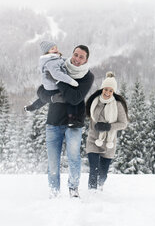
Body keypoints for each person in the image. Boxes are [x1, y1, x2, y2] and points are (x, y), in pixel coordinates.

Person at [38, 45, 94, 198]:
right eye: (75, 54)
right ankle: (54, 192)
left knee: (74, 157)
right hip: (53, 121)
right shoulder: (61, 66)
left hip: (74, 123)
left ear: (86, 60)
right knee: (53, 161)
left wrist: (57, 80)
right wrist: (51, 97)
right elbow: (41, 90)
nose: (77, 59)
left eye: (81, 57)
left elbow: (74, 98)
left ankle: (73, 189)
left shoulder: (87, 76)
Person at [85, 72, 128, 191]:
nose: (107, 93)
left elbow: (123, 124)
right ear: (102, 89)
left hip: (109, 143)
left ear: (113, 92)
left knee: (103, 174)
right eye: (106, 89)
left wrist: (108, 127)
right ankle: (92, 193)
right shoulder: (94, 101)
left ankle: (100, 188)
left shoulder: (118, 105)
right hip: (93, 140)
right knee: (94, 169)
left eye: (110, 90)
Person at [23, 41, 78, 115]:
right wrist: (71, 81)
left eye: (56, 47)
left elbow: (62, 60)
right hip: (53, 86)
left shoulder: (53, 58)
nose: (55, 49)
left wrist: (71, 60)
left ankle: (32, 107)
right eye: (52, 48)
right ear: (47, 52)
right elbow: (56, 75)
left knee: (43, 100)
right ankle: (71, 116)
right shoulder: (50, 62)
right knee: (63, 98)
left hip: (50, 86)